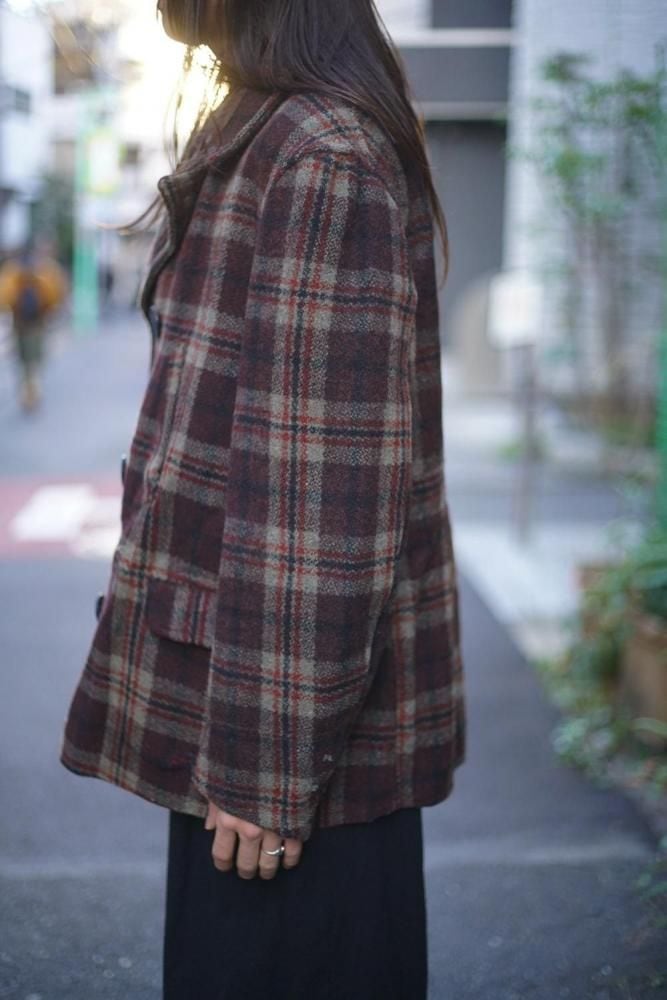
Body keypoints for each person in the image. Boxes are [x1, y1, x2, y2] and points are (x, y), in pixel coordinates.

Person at [59, 1, 467, 997]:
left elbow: (320, 498)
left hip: (284, 753)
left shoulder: (318, 153)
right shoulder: (274, 127)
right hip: (258, 719)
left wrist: (263, 767)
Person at [0, 240, 67, 412]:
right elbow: (57, 294)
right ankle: (33, 391)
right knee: (35, 359)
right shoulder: (46, 269)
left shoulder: (12, 270)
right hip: (39, 321)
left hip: (19, 321)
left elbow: (4, 297)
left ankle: (27, 391)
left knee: (23, 359)